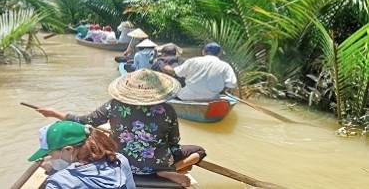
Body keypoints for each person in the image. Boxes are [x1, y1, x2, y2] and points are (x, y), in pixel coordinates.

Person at [35, 69, 206, 187]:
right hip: (157, 163)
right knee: (199, 150)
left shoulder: (114, 105)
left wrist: (55, 113)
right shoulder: (167, 110)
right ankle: (168, 170)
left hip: (122, 162)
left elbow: (85, 120)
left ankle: (165, 169)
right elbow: (174, 141)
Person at [28, 121, 136, 189]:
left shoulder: (59, 183)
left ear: (68, 149)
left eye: (50, 154)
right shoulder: (119, 160)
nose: (50, 158)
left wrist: (54, 172)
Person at [163, 42, 237, 101]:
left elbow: (176, 72)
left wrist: (167, 68)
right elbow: (231, 84)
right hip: (212, 99)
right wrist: (222, 91)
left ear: (203, 52)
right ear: (219, 54)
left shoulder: (193, 61)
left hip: (187, 97)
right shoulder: (225, 66)